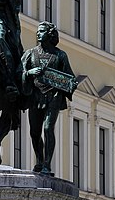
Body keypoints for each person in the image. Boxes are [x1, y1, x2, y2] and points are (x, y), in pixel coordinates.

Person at [21, 22, 76, 175]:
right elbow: (19, 73)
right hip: (35, 96)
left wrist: (65, 84)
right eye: (37, 31)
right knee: (34, 132)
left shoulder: (60, 55)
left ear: (50, 34)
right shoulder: (30, 54)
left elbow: (70, 78)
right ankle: (39, 159)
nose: (38, 34)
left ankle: (47, 164)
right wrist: (30, 73)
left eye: (42, 31)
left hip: (54, 97)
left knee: (47, 128)